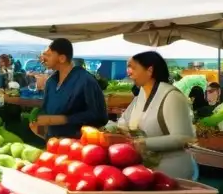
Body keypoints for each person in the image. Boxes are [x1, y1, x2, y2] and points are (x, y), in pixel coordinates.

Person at [119, 51, 197, 180]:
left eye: (133, 67)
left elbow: (184, 137)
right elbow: (123, 121)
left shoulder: (172, 96)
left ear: (149, 70)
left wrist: (144, 143)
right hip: (146, 171)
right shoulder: (140, 96)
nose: (129, 72)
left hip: (173, 172)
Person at [30, 38, 108, 140]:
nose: (43, 59)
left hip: (79, 146)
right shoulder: (50, 82)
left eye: (48, 55)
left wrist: (64, 119)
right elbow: (47, 114)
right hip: (54, 145)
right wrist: (40, 130)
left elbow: (99, 116)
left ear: (62, 58)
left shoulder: (85, 80)